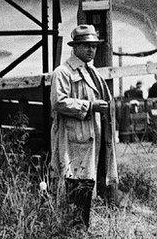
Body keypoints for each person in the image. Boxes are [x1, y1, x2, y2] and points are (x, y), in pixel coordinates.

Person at [48, 24, 115, 227]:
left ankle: (80, 230)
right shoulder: (63, 72)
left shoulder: (91, 72)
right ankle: (74, 232)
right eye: (86, 45)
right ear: (75, 47)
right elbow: (59, 102)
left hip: (89, 138)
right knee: (75, 184)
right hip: (73, 139)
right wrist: (89, 106)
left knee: (86, 184)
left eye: (93, 46)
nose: (91, 50)